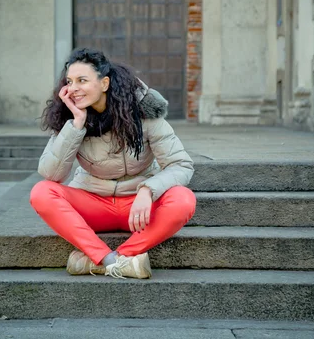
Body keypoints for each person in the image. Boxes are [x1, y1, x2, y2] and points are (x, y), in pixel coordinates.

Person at [29, 48, 196, 280]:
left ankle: (113, 257)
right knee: (41, 192)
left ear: (104, 83)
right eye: (69, 81)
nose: (73, 88)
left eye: (82, 80)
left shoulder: (144, 114)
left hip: (138, 209)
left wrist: (148, 190)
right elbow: (51, 174)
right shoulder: (70, 119)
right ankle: (109, 260)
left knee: (183, 199)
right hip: (94, 202)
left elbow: (181, 165)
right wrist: (77, 124)